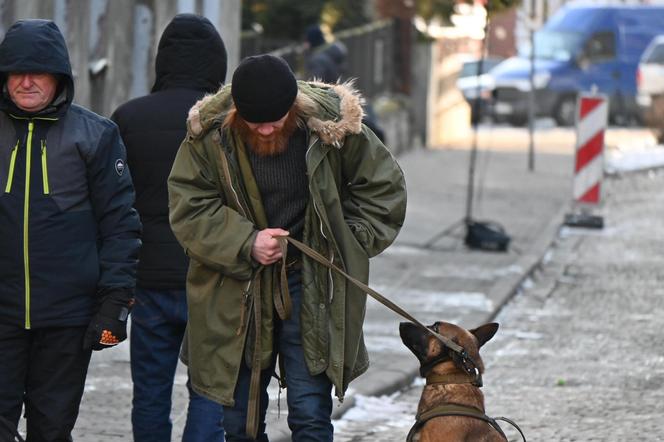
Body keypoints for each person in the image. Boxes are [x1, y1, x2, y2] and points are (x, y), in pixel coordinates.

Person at [168, 54, 407, 441]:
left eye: (275, 121)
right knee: (239, 422)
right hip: (236, 287)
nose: (264, 131)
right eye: (254, 122)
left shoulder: (332, 126)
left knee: (311, 414)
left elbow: (385, 190)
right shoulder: (210, 134)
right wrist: (246, 242)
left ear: (293, 108)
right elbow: (189, 206)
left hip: (312, 284)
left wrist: (343, 243)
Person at [0, 19, 141, 440]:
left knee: (51, 429)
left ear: (58, 76)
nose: (25, 82)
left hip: (66, 320)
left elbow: (120, 224)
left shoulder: (96, 136)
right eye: (15, 72)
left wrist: (114, 302)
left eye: (37, 72)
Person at [110, 14, 226, 442]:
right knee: (210, 389)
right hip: (211, 277)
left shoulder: (128, 117)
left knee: (151, 391)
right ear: (217, 62)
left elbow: (114, 200)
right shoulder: (225, 119)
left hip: (150, 279)